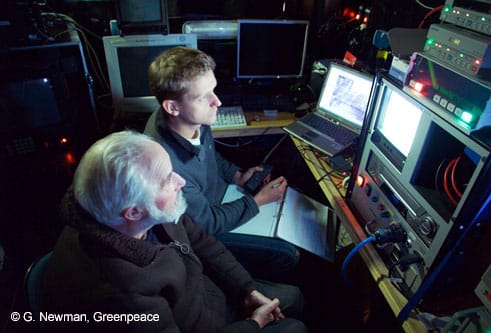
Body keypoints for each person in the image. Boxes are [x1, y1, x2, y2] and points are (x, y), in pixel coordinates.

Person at [41, 130, 307, 333]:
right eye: (167, 180)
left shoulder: (146, 210)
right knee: (295, 327)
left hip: (206, 293)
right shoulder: (123, 295)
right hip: (200, 322)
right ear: (133, 212)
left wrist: (246, 290)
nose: (180, 181)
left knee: (295, 297)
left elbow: (202, 242)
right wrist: (252, 324)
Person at [143, 47, 299, 280]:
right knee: (288, 254)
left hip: (222, 198)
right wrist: (257, 201)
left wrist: (237, 176)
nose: (217, 101)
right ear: (172, 107)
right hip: (206, 230)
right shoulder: (167, 167)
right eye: (202, 97)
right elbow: (206, 224)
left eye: (213, 90)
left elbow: (209, 155)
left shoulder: (192, 118)